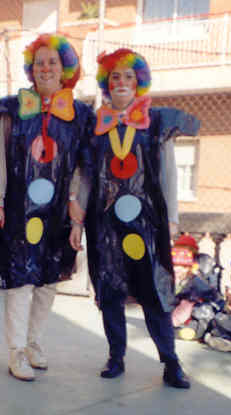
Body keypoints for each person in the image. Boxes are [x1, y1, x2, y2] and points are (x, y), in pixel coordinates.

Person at [79, 48, 198, 388]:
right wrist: (77, 213)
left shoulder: (155, 121)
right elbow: (86, 174)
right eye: (115, 76)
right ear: (106, 82)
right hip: (105, 223)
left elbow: (168, 172)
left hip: (147, 222)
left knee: (154, 290)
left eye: (128, 76)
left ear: (138, 82)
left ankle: (170, 361)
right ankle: (116, 356)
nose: (121, 82)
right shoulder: (96, 125)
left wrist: (171, 217)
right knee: (110, 288)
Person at [0, 33, 93, 381]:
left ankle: (33, 342)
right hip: (19, 210)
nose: (45, 68)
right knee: (20, 280)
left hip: (59, 212)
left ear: (65, 69)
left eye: (52, 62)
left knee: (48, 280)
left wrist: (77, 208)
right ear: (31, 69)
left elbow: (82, 167)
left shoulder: (80, 115)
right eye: (39, 63)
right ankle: (16, 350)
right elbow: (0, 156)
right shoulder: (14, 109)